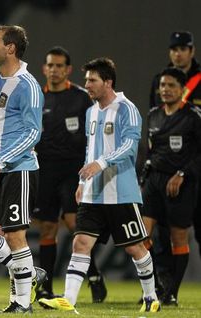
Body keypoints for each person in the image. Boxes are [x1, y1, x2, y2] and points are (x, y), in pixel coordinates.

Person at [39, 57, 160, 313]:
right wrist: (84, 180)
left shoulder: (126, 108)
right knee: (80, 242)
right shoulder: (91, 111)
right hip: (94, 193)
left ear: (108, 82)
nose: (87, 85)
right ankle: (68, 299)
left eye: (92, 80)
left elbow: (130, 146)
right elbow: (89, 150)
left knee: (134, 247)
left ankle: (151, 297)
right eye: (86, 80)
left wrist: (102, 163)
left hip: (121, 193)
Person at [0, 25, 44, 313]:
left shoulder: (27, 85)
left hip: (17, 169)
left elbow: (32, 133)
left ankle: (21, 303)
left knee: (15, 235)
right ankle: (30, 273)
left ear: (10, 48)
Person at [31, 46, 107, 302]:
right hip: (44, 170)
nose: (54, 70)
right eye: (50, 65)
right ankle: (45, 286)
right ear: (44, 68)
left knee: (75, 223)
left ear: (68, 70)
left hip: (74, 170)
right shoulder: (36, 97)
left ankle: (93, 275)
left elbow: (94, 133)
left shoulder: (82, 97)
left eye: (59, 66)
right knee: (48, 228)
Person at [141, 68, 201, 306]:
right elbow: (151, 149)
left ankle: (172, 292)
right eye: (162, 85)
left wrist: (183, 173)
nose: (165, 90)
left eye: (171, 85)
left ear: (182, 89)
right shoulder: (154, 114)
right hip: (154, 181)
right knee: (140, 237)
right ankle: (154, 284)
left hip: (181, 184)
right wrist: (144, 176)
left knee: (178, 238)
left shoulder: (193, 116)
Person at [150, 31, 201, 108]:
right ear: (169, 52)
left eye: (183, 49)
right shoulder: (159, 80)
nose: (178, 54)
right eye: (174, 50)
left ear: (192, 51)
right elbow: (153, 112)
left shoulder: (199, 79)